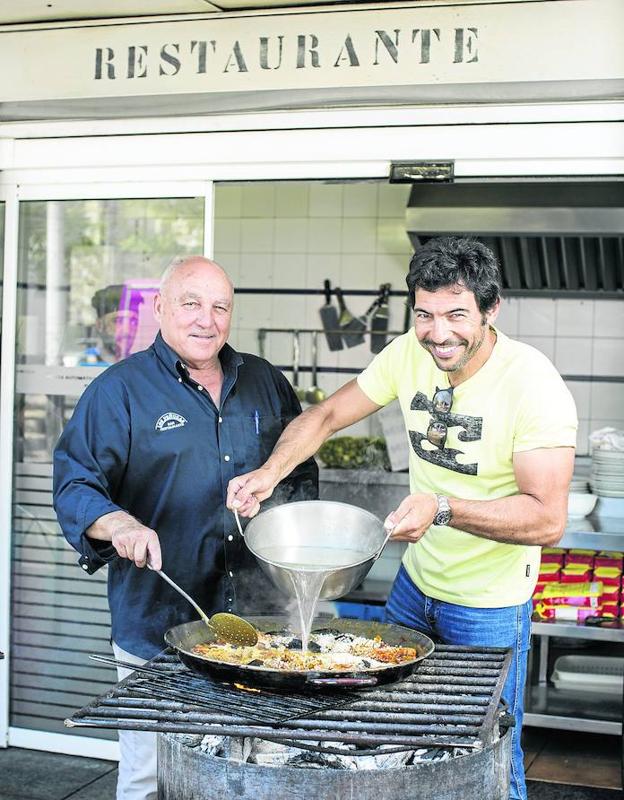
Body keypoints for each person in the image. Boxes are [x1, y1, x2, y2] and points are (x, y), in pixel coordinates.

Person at [227, 237, 577, 800]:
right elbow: (325, 415)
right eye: (425, 314)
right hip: (416, 588)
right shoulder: (408, 354)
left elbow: (546, 520)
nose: (438, 333)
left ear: (492, 310)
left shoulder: (533, 384)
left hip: (487, 603)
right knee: (394, 739)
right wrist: (268, 474)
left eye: (457, 314)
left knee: (485, 751)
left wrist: (443, 508)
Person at [53, 256, 318, 800]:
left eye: (220, 306)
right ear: (159, 308)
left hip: (259, 631)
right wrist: (118, 522)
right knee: (152, 780)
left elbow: (300, 471)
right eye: (191, 303)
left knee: (259, 777)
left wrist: (273, 503)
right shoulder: (119, 390)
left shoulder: (265, 382)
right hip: (158, 627)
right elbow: (75, 485)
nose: (207, 319)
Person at [89, 283, 142, 364]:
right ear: (99, 325)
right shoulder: (83, 364)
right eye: (117, 321)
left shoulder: (140, 366)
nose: (127, 330)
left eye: (133, 321)